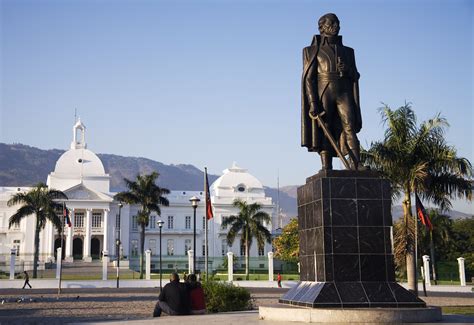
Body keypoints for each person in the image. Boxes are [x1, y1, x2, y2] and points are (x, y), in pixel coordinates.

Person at [301, 13, 362, 170]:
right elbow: (309, 79)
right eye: (332, 23)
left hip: (344, 92)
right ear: (322, 27)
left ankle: (356, 164)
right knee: (324, 127)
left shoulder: (348, 52)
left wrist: (347, 70)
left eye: (337, 23)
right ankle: (326, 165)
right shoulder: (311, 51)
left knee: (350, 125)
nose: (336, 26)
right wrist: (313, 103)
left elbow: (356, 75)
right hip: (324, 91)